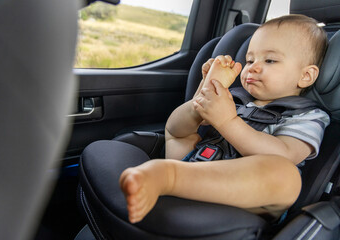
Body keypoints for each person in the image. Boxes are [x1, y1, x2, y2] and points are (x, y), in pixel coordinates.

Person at [119, 14, 330, 224]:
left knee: (286, 175)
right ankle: (170, 177)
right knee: (179, 131)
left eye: (270, 60)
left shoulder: (307, 116)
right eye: (249, 60)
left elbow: (285, 154)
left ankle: (169, 177)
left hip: (246, 201)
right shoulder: (235, 97)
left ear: (306, 76)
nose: (253, 67)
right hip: (196, 163)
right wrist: (205, 94)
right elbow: (176, 131)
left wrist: (228, 121)